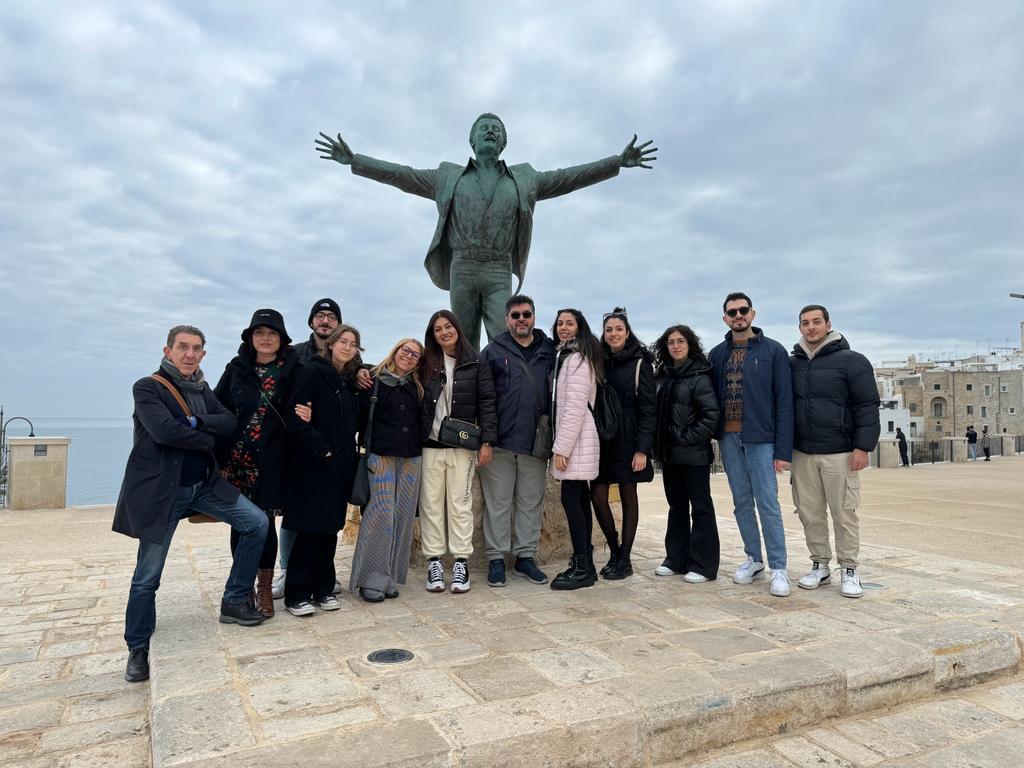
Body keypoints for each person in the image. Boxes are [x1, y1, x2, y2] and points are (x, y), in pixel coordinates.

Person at [315, 115, 657, 350]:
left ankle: (504, 399)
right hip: (461, 264)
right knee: (459, 341)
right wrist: (355, 160)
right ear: (472, 139)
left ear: (504, 141)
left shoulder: (525, 178)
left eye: (496, 129)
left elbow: (568, 178)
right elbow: (401, 175)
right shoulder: (448, 176)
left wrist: (615, 162)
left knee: (504, 338)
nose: (490, 132)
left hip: (497, 267)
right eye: (483, 128)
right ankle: (463, 404)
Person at [113, 325, 269, 683]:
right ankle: (137, 648)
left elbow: (229, 422)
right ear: (168, 351)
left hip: (203, 486)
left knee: (257, 523)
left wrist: (197, 422)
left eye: (196, 348)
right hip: (163, 491)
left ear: (203, 354)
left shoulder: (202, 389)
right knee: (146, 578)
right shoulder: (148, 387)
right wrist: (205, 437)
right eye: (182, 347)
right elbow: (164, 431)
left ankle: (234, 600)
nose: (189, 354)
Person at [214, 309, 301, 618]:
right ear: (250, 338)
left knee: (265, 524)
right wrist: (218, 458)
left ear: (281, 339)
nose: (265, 338)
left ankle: (264, 586)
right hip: (237, 462)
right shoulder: (236, 368)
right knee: (241, 523)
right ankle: (244, 586)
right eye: (259, 333)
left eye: (272, 333)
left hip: (273, 461)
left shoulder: (293, 369)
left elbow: (307, 404)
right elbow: (218, 408)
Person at [789, 305, 880, 599]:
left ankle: (850, 569)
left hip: (840, 452)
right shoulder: (792, 364)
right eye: (805, 323)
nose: (811, 327)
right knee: (809, 512)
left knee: (844, 513)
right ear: (800, 327)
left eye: (817, 322)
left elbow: (867, 406)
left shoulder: (853, 361)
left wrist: (862, 447)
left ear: (828, 325)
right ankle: (819, 565)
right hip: (802, 452)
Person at [709, 292, 794, 597]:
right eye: (732, 312)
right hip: (729, 438)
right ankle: (754, 558)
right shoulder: (717, 354)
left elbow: (784, 402)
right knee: (741, 502)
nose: (738, 315)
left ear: (753, 314)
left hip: (762, 438)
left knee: (768, 503)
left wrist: (783, 451)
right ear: (725, 319)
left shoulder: (773, 351)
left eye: (743, 310)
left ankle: (779, 566)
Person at [282, 325, 365, 616]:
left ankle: (323, 588)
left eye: (353, 344)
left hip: (340, 465)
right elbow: (294, 417)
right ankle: (296, 594)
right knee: (310, 530)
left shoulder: (346, 380)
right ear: (330, 344)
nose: (347, 347)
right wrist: (323, 449)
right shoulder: (313, 373)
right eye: (343, 341)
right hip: (314, 463)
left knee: (330, 529)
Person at [477, 294, 555, 587]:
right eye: (515, 315)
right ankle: (496, 559)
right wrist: (485, 439)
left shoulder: (549, 349)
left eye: (526, 314)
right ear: (506, 318)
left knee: (530, 502)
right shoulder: (492, 351)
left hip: (535, 442)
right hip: (499, 442)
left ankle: (525, 557)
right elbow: (483, 397)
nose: (521, 320)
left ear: (534, 317)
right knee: (497, 504)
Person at [418, 310, 498, 593]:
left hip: (462, 445)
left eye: (448, 326)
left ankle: (461, 562)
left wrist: (487, 442)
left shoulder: (475, 361)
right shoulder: (425, 361)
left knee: (460, 504)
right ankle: (435, 562)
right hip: (430, 445)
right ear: (432, 334)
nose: (443, 332)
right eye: (437, 329)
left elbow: (487, 401)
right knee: (430, 504)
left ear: (457, 328)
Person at [273, 297, 342, 600]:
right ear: (312, 321)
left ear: (338, 324)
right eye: (320, 316)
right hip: (297, 442)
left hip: (327, 447)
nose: (325, 320)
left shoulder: (344, 358)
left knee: (324, 513)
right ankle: (287, 569)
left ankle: (319, 573)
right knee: (295, 512)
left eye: (331, 317)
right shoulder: (294, 355)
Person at [349, 339, 425, 602]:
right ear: (395, 350)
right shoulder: (373, 379)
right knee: (381, 516)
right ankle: (370, 579)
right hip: (380, 456)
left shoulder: (417, 386)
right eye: (406, 350)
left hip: (411, 457)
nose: (409, 356)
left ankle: (389, 576)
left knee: (402, 518)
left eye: (415, 354)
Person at [652, 325, 721, 583]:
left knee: (701, 508)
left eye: (681, 341)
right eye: (671, 342)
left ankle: (703, 565)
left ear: (690, 345)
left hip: (694, 455)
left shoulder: (700, 377)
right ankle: (676, 559)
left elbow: (711, 417)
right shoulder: (664, 377)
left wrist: (683, 438)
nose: (676, 346)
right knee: (676, 507)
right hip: (670, 456)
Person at [590, 308, 656, 580]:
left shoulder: (641, 363)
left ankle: (625, 557)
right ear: (603, 335)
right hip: (604, 438)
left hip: (629, 439)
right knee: (598, 496)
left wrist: (642, 449)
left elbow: (649, 409)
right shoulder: (598, 362)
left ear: (627, 333)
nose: (613, 334)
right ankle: (615, 548)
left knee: (629, 497)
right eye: (609, 330)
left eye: (618, 329)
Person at [548, 309, 602, 590]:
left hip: (577, 440)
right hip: (575, 439)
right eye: (560, 323)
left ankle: (582, 566)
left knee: (573, 501)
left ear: (580, 327)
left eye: (570, 323)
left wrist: (562, 448)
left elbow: (574, 407)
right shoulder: (566, 356)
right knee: (579, 500)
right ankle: (586, 564)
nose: (563, 327)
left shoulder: (578, 358)